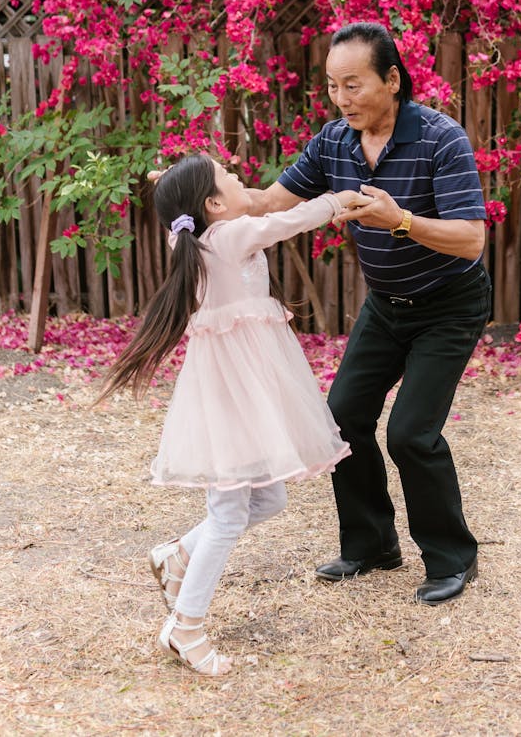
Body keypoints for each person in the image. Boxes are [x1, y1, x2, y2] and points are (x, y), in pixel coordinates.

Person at [248, 22, 491, 605]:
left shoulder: (440, 137)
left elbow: (471, 239)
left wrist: (399, 219)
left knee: (411, 434)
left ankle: (453, 557)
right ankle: (372, 544)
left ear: (392, 80)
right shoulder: (333, 141)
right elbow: (265, 204)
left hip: (448, 306)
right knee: (342, 419)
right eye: (333, 87)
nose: (341, 99)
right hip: (386, 306)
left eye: (353, 85)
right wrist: (189, 193)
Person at [98, 154, 367, 677]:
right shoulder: (226, 237)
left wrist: (169, 185)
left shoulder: (191, 239)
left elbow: (199, 216)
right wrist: (338, 202)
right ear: (214, 206)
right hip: (231, 394)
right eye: (229, 178)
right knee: (228, 515)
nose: (243, 179)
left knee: (267, 497)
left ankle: (176, 556)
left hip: (244, 391)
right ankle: (186, 626)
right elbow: (285, 221)